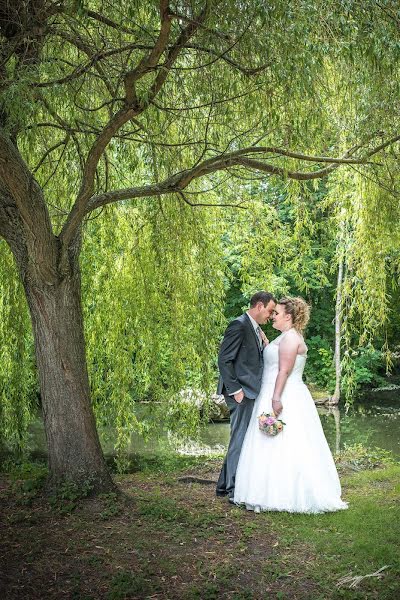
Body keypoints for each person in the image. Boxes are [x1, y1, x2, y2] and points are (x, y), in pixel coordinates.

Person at [234, 297, 348, 514]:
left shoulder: (289, 339)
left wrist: (276, 398)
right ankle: (266, 491)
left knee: (286, 443)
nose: (273, 316)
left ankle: (284, 493)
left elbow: (283, 371)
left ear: (288, 316)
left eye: (276, 313)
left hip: (284, 394)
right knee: (269, 443)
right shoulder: (285, 337)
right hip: (273, 391)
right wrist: (267, 345)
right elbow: (276, 361)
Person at [216, 291, 276, 502]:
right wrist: (236, 391)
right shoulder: (239, 324)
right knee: (239, 439)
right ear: (259, 306)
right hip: (241, 392)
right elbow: (224, 359)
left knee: (240, 439)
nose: (271, 316)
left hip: (251, 391)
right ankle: (233, 489)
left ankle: (224, 485)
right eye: (270, 311)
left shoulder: (255, 329)